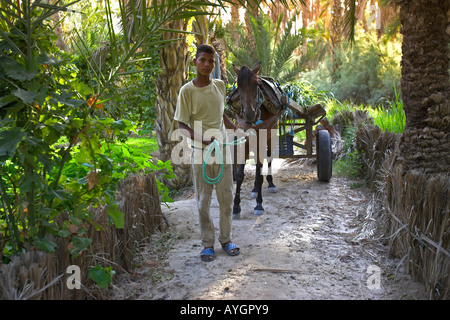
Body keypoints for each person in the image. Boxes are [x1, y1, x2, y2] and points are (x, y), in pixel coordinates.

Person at [174, 44, 243, 262]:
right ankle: (207, 243)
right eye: (202, 60)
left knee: (226, 198)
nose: (206, 64)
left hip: (222, 151)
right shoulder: (187, 91)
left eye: (211, 61)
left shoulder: (220, 86)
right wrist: (203, 138)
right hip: (200, 152)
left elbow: (222, 116)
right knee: (203, 200)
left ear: (215, 65)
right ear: (195, 62)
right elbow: (181, 126)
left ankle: (226, 239)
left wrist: (236, 129)